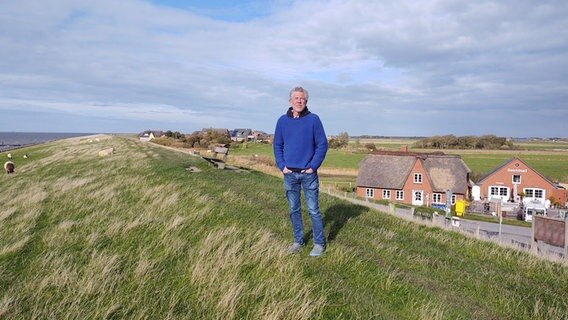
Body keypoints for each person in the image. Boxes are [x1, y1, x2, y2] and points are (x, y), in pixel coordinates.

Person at [273, 86, 328, 257]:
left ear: (306, 101)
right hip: (289, 174)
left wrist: (313, 165)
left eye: (302, 99)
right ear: (290, 101)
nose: (299, 101)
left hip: (308, 174)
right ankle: (298, 241)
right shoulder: (282, 121)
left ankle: (319, 243)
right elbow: (277, 145)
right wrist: (282, 165)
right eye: (296, 98)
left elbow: (322, 144)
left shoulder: (314, 120)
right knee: (293, 209)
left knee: (313, 209)